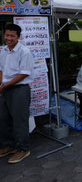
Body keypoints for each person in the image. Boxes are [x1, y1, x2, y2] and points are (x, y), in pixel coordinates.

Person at [0, 24, 34, 164]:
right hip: (5, 88)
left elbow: (24, 74)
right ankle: (9, 145)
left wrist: (4, 86)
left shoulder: (25, 51)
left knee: (19, 121)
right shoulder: (3, 50)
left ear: (19, 37)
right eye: (7, 35)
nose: (8, 38)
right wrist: (1, 84)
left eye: (12, 36)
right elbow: (1, 70)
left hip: (20, 89)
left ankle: (23, 149)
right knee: (3, 118)